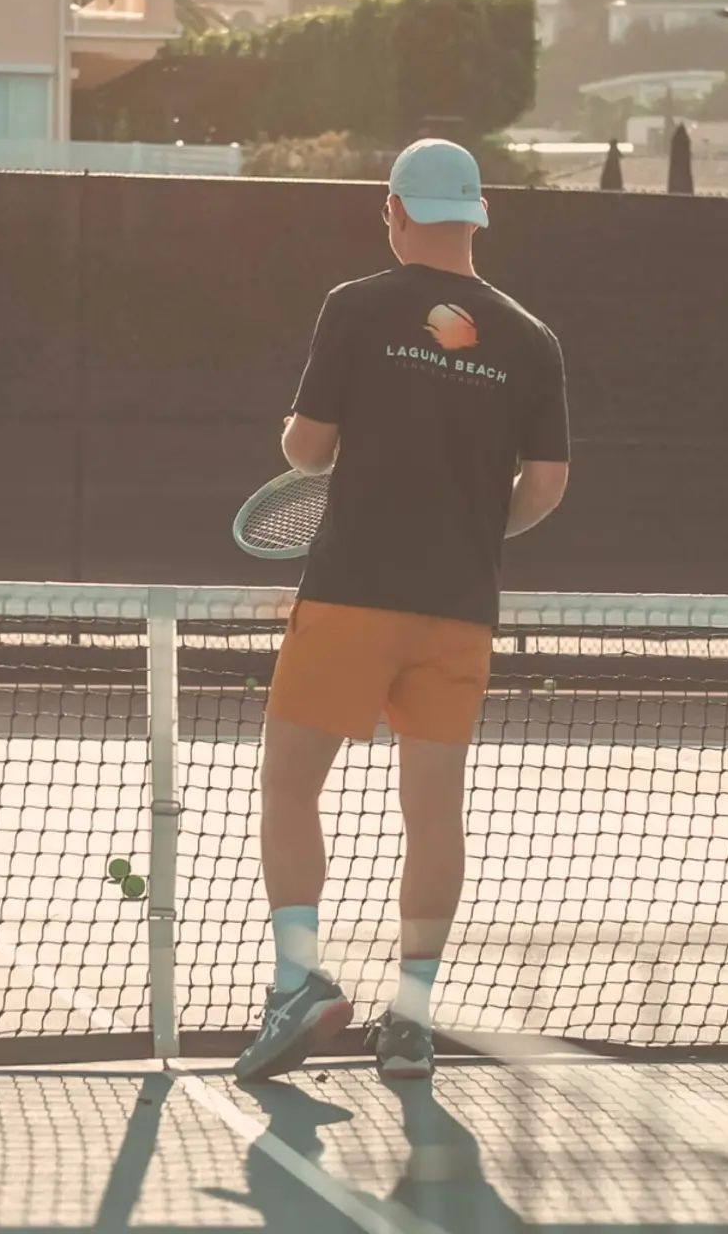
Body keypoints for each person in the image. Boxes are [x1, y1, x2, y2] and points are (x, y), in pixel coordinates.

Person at [234, 140, 572, 1083]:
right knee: (434, 814)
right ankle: (412, 1020)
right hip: (459, 608)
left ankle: (299, 983)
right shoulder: (532, 339)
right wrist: (471, 531)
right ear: (476, 215)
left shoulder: (355, 306)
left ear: (392, 210)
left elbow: (306, 451)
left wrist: (307, 446)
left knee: (291, 784)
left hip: (351, 594)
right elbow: (545, 486)